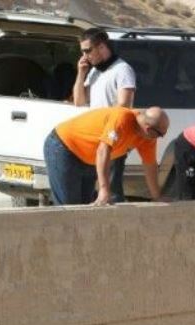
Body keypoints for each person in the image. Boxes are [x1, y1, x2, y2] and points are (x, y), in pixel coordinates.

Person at [44, 106, 167, 206]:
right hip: (64, 147)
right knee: (69, 207)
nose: (160, 137)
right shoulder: (122, 119)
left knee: (87, 207)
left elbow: (150, 164)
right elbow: (103, 150)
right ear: (148, 129)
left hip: (88, 159)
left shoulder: (148, 138)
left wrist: (157, 197)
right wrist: (104, 190)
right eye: (160, 134)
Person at [73, 27, 137, 202]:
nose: (85, 56)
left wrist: (109, 131)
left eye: (87, 50)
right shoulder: (93, 71)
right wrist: (81, 74)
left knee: (111, 190)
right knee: (94, 191)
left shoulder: (122, 70)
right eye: (82, 52)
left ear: (101, 47)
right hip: (94, 139)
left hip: (112, 139)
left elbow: (124, 104)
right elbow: (79, 101)